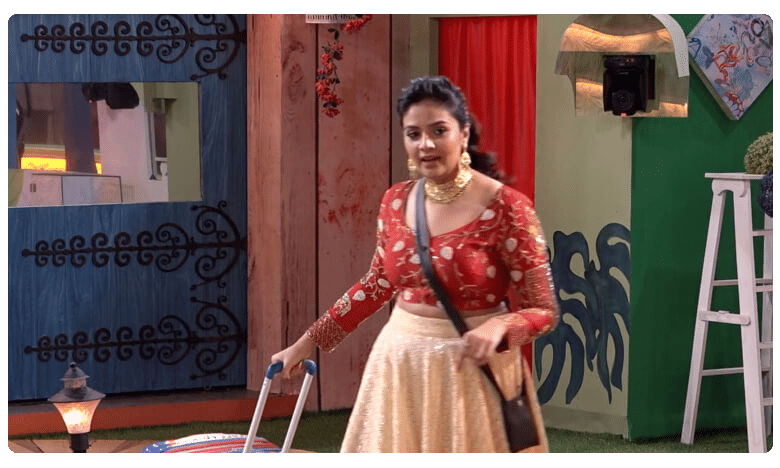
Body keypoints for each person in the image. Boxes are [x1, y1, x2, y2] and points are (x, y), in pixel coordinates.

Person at [271, 76, 559, 453]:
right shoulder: (395, 201)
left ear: (463, 133)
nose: (426, 144)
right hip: (400, 365)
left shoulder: (508, 208)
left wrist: (500, 327)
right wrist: (306, 343)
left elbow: (544, 311)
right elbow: (375, 285)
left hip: (472, 373)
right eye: (413, 134)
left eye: (439, 131)